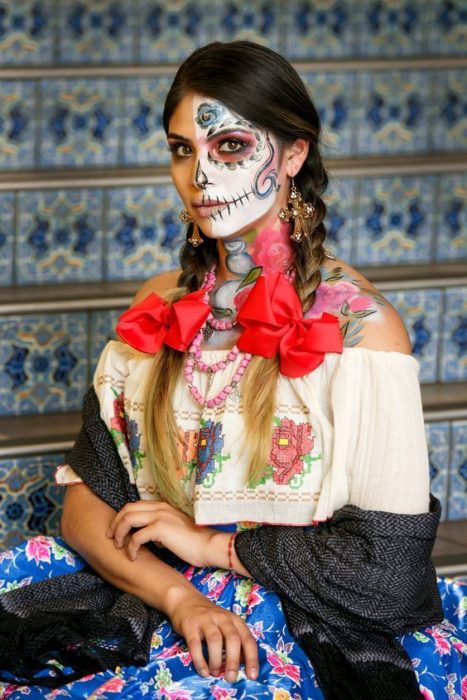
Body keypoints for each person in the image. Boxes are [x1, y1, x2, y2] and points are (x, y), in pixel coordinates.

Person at [0, 41, 465, 700]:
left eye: (229, 148)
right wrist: (180, 598)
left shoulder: (360, 328)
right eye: (182, 149)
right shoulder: (156, 306)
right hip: (155, 585)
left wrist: (207, 547)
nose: (200, 179)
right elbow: (84, 511)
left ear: (294, 155)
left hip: (294, 609)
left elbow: (386, 572)